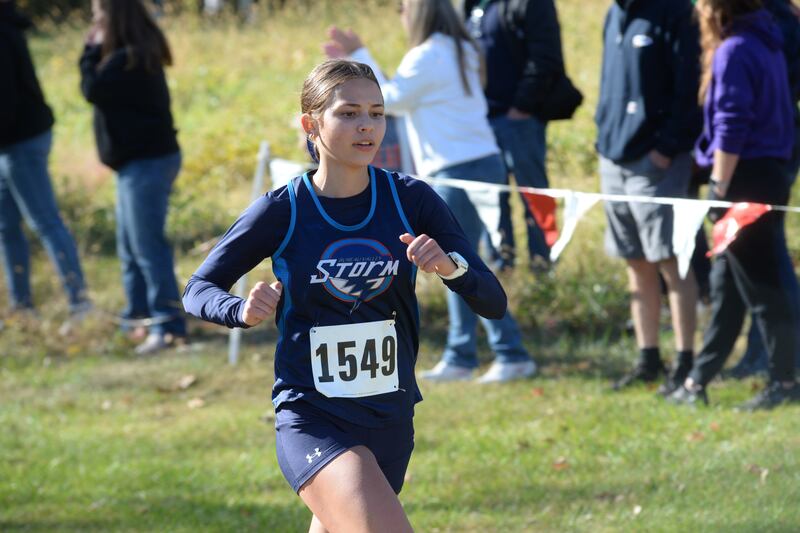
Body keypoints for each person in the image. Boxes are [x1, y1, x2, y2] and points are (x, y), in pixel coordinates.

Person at [183, 59, 508, 532]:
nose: (367, 126)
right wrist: (240, 309)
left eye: (377, 114)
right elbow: (197, 290)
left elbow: (493, 301)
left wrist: (449, 268)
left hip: (390, 418)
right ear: (311, 125)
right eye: (349, 113)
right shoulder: (283, 209)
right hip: (313, 415)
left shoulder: (411, 200)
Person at [323, 0, 536, 383]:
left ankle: (494, 353)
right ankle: (473, 353)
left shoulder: (428, 54)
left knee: (456, 263)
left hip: (455, 168)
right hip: (480, 161)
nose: (400, 16)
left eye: (402, 8)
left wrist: (358, 54)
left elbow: (392, 101)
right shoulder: (462, 48)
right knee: (467, 262)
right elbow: (399, 93)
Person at [667, 0, 800, 409]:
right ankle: (697, 382)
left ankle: (784, 382)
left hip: (743, 180)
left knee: (766, 287)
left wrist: (718, 186)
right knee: (727, 285)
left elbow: (732, 121)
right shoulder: (767, 39)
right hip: (768, 172)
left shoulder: (735, 49)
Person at [596, 0, 702, 393]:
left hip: (657, 160)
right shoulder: (614, 12)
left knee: (672, 261)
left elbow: (691, 86)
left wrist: (668, 147)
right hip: (614, 157)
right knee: (635, 261)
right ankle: (649, 358)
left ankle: (686, 360)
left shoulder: (676, 12)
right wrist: (603, 135)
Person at [79, 0, 185, 354]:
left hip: (148, 163)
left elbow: (91, 89)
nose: (94, 22)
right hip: (136, 163)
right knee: (130, 247)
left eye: (98, 16)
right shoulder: (132, 54)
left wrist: (90, 49)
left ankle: (167, 326)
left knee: (146, 247)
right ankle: (137, 319)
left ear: (114, 19)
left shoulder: (127, 58)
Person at [463, 0, 580, 272]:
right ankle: (501, 267)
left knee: (535, 194)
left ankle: (544, 264)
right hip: (480, 124)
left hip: (519, 120)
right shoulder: (469, 5)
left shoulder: (530, 3)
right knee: (492, 198)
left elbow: (546, 57)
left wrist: (522, 107)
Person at [0, 0, 90, 325]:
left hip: (20, 140)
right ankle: (21, 307)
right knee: (6, 226)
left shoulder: (4, 33)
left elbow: (6, 100)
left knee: (44, 222)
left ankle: (80, 304)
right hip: (10, 141)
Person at [727, 0, 800, 379]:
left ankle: (778, 361)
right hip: (769, 151)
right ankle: (763, 355)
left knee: (767, 265)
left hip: (763, 157)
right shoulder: (770, 21)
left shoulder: (771, 24)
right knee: (756, 263)